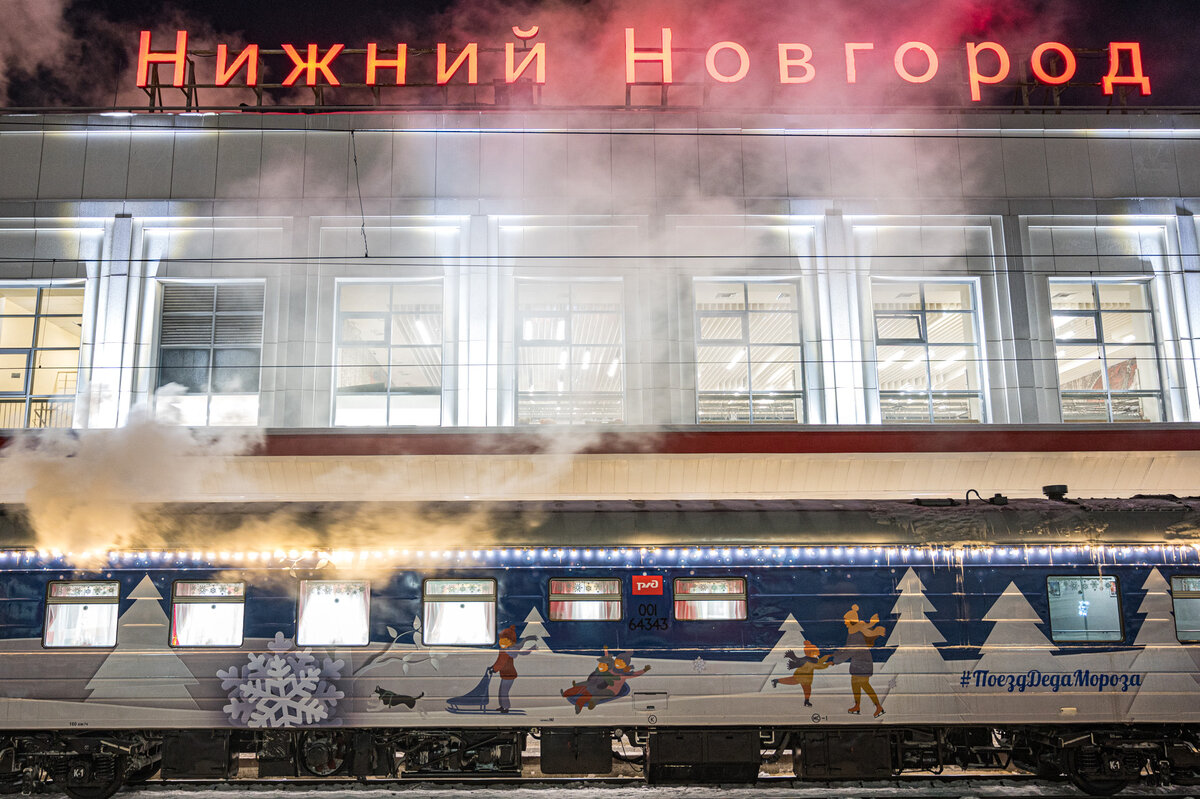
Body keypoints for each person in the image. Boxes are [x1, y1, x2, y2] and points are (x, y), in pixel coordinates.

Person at [827, 604, 887, 718]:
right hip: (859, 664)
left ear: (851, 621)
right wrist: (834, 654)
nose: (845, 623)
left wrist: (835, 661)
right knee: (855, 684)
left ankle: (878, 707)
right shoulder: (853, 632)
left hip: (863, 664)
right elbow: (847, 648)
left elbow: (850, 652)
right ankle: (857, 706)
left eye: (846, 620)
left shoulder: (856, 635)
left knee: (864, 685)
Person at [487, 625, 538, 713]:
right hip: (506, 674)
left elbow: (501, 663)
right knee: (502, 692)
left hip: (509, 675)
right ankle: (503, 706)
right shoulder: (507, 649)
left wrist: (494, 669)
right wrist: (526, 639)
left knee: (503, 692)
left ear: (510, 641)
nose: (501, 642)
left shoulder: (507, 651)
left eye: (504, 640)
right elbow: (520, 647)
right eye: (501, 640)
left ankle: (505, 707)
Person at [771, 640, 831, 706]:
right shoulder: (808, 661)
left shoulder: (813, 659)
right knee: (792, 681)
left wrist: (826, 657)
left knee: (807, 689)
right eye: (815, 652)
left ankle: (806, 701)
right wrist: (828, 663)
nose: (818, 653)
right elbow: (819, 666)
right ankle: (776, 681)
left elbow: (819, 662)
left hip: (807, 678)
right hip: (801, 676)